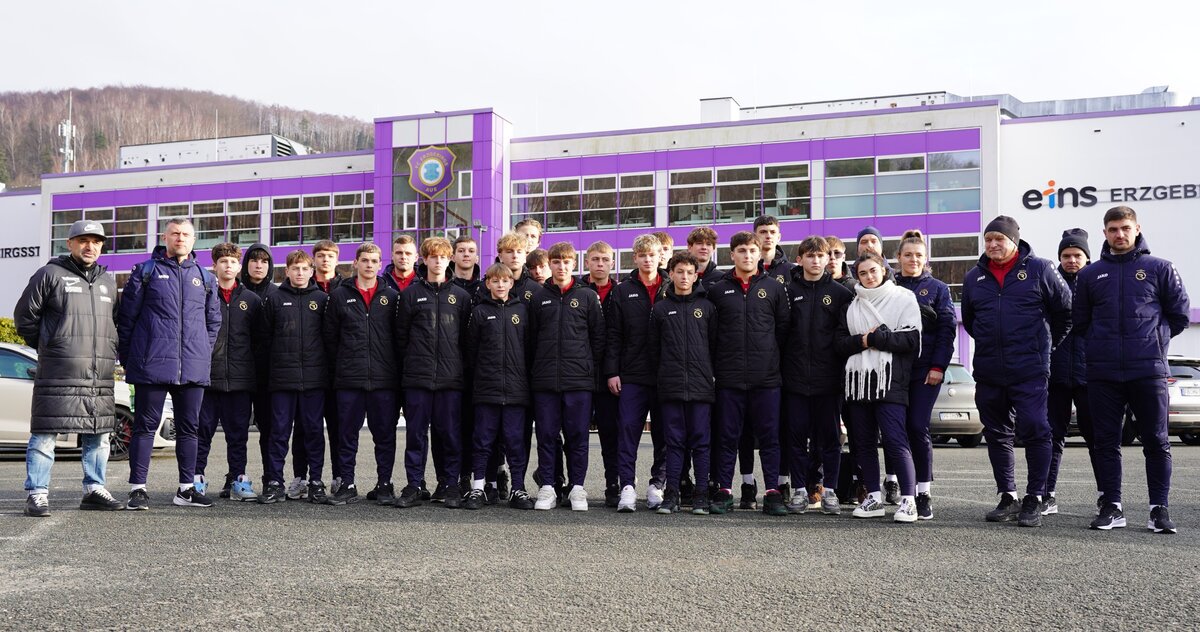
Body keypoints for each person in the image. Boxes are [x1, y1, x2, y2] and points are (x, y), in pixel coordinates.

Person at [1074, 207, 1190, 533]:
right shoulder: (1090, 275)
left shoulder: (1160, 268)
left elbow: (1179, 315)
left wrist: (1153, 341)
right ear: (1105, 233)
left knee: (1156, 440)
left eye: (1125, 228)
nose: (1120, 234)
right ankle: (1112, 507)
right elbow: (1080, 322)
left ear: (1137, 229)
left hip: (1148, 370)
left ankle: (1158, 510)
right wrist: (1102, 346)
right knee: (1105, 442)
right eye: (1113, 229)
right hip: (1103, 373)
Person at [961, 215, 1071, 528]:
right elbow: (970, 321)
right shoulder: (973, 278)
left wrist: (1044, 347)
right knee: (997, 433)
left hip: (1030, 369)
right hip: (989, 371)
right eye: (988, 239)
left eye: (1000, 238)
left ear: (1014, 241)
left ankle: (1035, 496)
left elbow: (1065, 313)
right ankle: (1007, 495)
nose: (993, 244)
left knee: (1036, 428)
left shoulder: (1041, 269)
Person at [15, 219, 124, 516]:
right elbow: (25, 317)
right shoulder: (49, 274)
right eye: (83, 240)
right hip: (58, 371)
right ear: (70, 243)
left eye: (96, 241)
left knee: (99, 434)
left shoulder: (107, 281)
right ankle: (37, 493)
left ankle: (94, 489)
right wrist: (52, 346)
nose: (90, 246)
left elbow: (115, 322)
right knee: (45, 434)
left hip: (99, 375)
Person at [117, 217, 221, 509]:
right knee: (145, 427)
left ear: (193, 239)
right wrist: (129, 359)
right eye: (175, 233)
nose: (180, 238)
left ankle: (186, 489)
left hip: (192, 366)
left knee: (190, 428)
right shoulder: (145, 272)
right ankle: (138, 489)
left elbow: (213, 322)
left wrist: (201, 352)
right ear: (165, 237)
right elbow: (126, 320)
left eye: (186, 234)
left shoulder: (205, 277)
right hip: (151, 364)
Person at [836, 252, 923, 522]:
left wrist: (877, 339)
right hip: (858, 383)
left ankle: (909, 500)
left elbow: (911, 340)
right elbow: (839, 344)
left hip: (891, 381)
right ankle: (873, 496)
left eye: (873, 270)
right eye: (862, 273)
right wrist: (863, 341)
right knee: (863, 443)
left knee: (895, 440)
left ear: (884, 270)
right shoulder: (851, 305)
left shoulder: (903, 298)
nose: (869, 277)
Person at [707, 231, 789, 516]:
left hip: (766, 378)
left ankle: (772, 492)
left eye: (752, 251)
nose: (747, 255)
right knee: (727, 437)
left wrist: (769, 360)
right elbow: (711, 336)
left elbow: (782, 330)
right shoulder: (718, 290)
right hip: (729, 379)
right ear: (732, 255)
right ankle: (724, 491)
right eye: (741, 251)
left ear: (759, 254)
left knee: (769, 437)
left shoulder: (774, 288)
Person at [393, 237, 473, 509]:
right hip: (418, 378)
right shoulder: (410, 295)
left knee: (449, 435)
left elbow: (466, 341)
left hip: (451, 380)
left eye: (443, 256)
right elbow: (401, 338)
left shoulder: (461, 297)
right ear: (424, 259)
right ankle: (415, 485)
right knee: (415, 436)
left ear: (449, 259)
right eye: (433, 256)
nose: (438, 261)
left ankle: (450, 484)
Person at [527, 241, 606, 511]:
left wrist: (589, 372)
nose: (561, 267)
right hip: (545, 381)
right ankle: (548, 487)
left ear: (574, 264)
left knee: (577, 437)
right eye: (556, 262)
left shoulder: (587, 297)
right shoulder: (538, 297)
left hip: (578, 381)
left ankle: (577, 487)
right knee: (547, 435)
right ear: (550, 264)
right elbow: (531, 339)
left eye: (566, 262)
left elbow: (598, 338)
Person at [322, 242, 402, 506]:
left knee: (385, 435)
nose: (369, 265)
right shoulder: (339, 296)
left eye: (374, 261)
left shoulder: (391, 297)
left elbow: (399, 338)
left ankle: (384, 484)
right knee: (347, 435)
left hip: (384, 379)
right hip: (349, 379)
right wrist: (342, 367)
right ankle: (347, 483)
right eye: (364, 260)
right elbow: (330, 338)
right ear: (355, 263)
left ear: (380, 264)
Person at [780, 236, 853, 515]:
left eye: (820, 255)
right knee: (796, 439)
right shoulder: (787, 292)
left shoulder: (841, 294)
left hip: (829, 381)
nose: (815, 260)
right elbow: (780, 335)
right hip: (795, 380)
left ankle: (830, 491)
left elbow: (844, 337)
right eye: (809, 255)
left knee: (830, 440)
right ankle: (799, 490)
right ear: (799, 260)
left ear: (828, 259)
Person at [256, 250, 331, 504]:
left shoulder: (322, 300)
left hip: (314, 380)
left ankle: (315, 481)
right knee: (278, 433)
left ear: (312, 271)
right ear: (286, 271)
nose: (300, 273)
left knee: (313, 433)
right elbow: (264, 341)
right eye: (295, 268)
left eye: (304, 269)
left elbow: (329, 340)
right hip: (281, 381)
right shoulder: (274, 299)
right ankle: (275, 482)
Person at [894, 230, 957, 520]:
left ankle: (923, 491)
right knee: (896, 429)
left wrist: (938, 366)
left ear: (926, 258)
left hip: (924, 370)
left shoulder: (938, 289)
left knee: (917, 426)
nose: (913, 259)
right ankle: (901, 489)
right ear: (898, 257)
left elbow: (947, 330)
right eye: (908, 255)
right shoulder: (890, 286)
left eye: (918, 255)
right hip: (895, 370)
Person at [647, 252, 717, 515]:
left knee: (701, 442)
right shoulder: (660, 309)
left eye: (689, 272)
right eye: (679, 272)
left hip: (701, 387)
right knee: (674, 442)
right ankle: (672, 495)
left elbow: (715, 346)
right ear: (671, 274)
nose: (684, 277)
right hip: (671, 386)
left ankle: (701, 496)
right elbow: (654, 350)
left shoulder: (707, 307)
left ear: (696, 275)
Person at [463, 264, 536, 510]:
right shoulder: (479, 312)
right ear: (488, 284)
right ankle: (478, 488)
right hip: (487, 390)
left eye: (505, 281)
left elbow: (529, 349)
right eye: (495, 281)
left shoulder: (522, 311)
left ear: (511, 283)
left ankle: (518, 488)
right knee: (483, 441)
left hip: (516, 391)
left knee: (515, 442)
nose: (500, 285)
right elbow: (471, 351)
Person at [606, 234, 668, 512]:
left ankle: (658, 484)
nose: (647, 260)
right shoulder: (623, 291)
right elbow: (614, 335)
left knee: (664, 435)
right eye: (642, 255)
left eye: (652, 255)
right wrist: (612, 371)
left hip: (665, 375)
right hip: (631, 374)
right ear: (635, 258)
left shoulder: (671, 286)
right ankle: (627, 486)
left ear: (659, 257)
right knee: (628, 432)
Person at [194, 243, 261, 502]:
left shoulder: (251, 301)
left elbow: (259, 342)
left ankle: (237, 480)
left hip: (240, 381)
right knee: (201, 434)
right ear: (214, 266)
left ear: (239, 266)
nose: (228, 266)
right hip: (207, 378)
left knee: (238, 436)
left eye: (233, 262)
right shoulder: (202, 295)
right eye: (223, 261)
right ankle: (195, 480)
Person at [739, 215, 797, 507]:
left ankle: (781, 484)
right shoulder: (740, 271)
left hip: (776, 367)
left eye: (772, 231)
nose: (768, 236)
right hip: (742, 369)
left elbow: (785, 325)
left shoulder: (791, 271)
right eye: (762, 231)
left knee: (778, 430)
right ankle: (747, 484)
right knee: (744, 431)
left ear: (779, 235)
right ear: (755, 235)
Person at [1046, 228, 1096, 515]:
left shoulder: (1097, 282)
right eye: (1066, 255)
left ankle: (1106, 497)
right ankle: (1047, 495)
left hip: (1090, 376)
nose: (1072, 260)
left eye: (1077, 255)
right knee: (1052, 437)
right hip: (1055, 375)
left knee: (1097, 439)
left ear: (1087, 257)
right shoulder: (1051, 283)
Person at [579, 240, 621, 506]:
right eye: (595, 259)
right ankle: (571, 484)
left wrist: (614, 370)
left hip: (609, 375)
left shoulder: (621, 291)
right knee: (575, 433)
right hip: (580, 373)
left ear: (612, 263)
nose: (600, 264)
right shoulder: (577, 290)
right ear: (586, 262)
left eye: (605, 260)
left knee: (610, 433)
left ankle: (612, 484)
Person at [312, 239, 347, 494]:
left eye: (330, 256)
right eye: (321, 255)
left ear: (337, 259)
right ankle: (308, 478)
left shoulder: (347, 289)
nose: (325, 260)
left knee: (338, 429)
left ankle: (339, 476)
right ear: (314, 259)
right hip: (311, 370)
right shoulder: (304, 285)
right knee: (309, 430)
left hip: (339, 372)